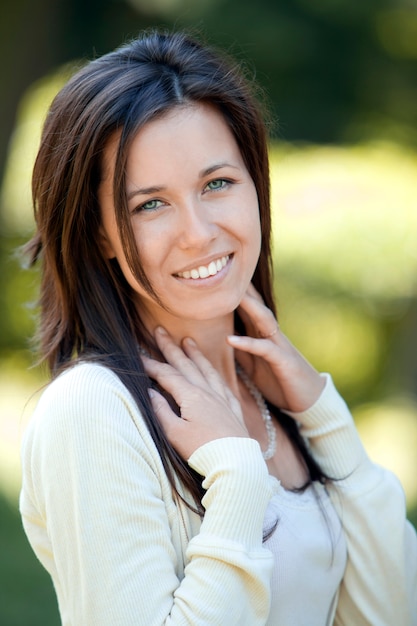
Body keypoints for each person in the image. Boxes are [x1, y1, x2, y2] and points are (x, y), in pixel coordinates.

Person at [19, 30, 416, 625]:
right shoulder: (94, 411)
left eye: (217, 184)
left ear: (256, 186)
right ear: (98, 232)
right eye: (149, 204)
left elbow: (391, 612)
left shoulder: (277, 402)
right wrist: (234, 479)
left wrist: (326, 422)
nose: (200, 232)